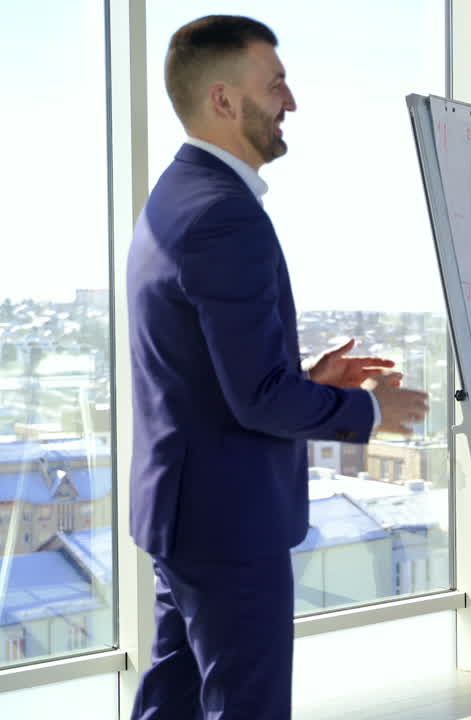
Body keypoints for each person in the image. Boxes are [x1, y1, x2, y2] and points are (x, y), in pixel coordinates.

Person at [127, 15, 428, 719]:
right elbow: (258, 401)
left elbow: (204, 366)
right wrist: (373, 412)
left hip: (183, 513)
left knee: (171, 699)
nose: (290, 102)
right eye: (277, 84)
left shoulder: (177, 195)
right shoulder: (224, 215)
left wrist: (304, 378)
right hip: (228, 522)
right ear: (225, 101)